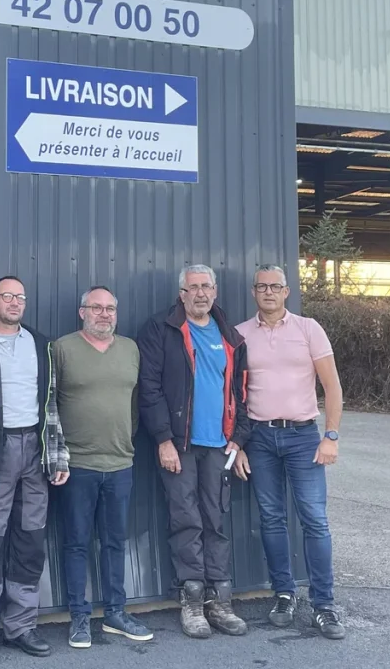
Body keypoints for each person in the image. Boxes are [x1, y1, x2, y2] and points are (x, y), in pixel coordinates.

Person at [0, 277, 70, 663]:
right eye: (7, 296)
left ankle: (21, 625)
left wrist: (58, 456)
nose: (15, 302)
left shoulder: (42, 344)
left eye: (21, 296)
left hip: (36, 452)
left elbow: (51, 405)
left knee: (30, 540)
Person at [137, 264, 251, 640]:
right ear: (181, 294)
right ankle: (192, 601)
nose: (200, 293)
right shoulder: (161, 329)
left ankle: (220, 602)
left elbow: (242, 390)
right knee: (185, 519)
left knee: (215, 520)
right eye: (193, 288)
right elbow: (149, 389)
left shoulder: (230, 335)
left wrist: (239, 437)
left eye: (206, 287)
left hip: (220, 445)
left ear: (215, 291)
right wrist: (163, 439)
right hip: (180, 446)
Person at [234, 265, 346, 640]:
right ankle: (283, 593)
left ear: (286, 292)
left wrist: (330, 436)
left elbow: (332, 386)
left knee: (314, 519)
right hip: (260, 439)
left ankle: (324, 605)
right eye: (262, 286)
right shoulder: (240, 335)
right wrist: (240, 445)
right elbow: (233, 396)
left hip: (303, 438)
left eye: (275, 286)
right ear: (254, 293)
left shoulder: (308, 329)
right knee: (271, 518)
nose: (268, 292)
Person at [54, 287, 153, 649]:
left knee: (114, 543)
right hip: (76, 465)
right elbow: (49, 405)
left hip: (120, 463)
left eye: (111, 308)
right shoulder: (62, 349)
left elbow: (135, 405)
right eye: (96, 307)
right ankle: (79, 617)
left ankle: (115, 613)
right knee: (77, 543)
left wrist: (125, 441)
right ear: (82, 312)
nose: (104, 314)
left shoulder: (130, 349)